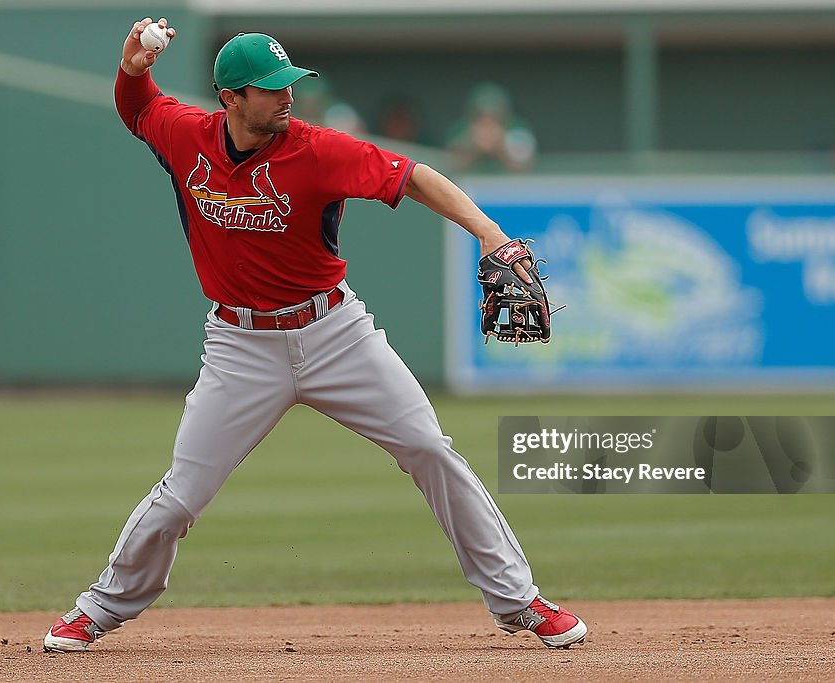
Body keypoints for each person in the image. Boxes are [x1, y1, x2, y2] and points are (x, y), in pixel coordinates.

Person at [42, 17, 586, 653]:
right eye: (270, 87)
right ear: (231, 99)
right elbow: (138, 108)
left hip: (335, 333)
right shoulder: (188, 137)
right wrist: (133, 66)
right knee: (181, 496)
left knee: (430, 448)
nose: (287, 94)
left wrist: (490, 236)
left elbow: (414, 176)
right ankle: (99, 609)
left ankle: (519, 602)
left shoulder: (319, 148)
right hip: (240, 345)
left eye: (289, 82)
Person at [446, 82, 537, 173]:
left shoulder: (517, 127)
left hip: (509, 184)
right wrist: (473, 146)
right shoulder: (462, 128)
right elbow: (450, 166)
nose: (488, 122)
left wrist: (501, 145)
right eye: (481, 115)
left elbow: (525, 166)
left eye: (495, 116)